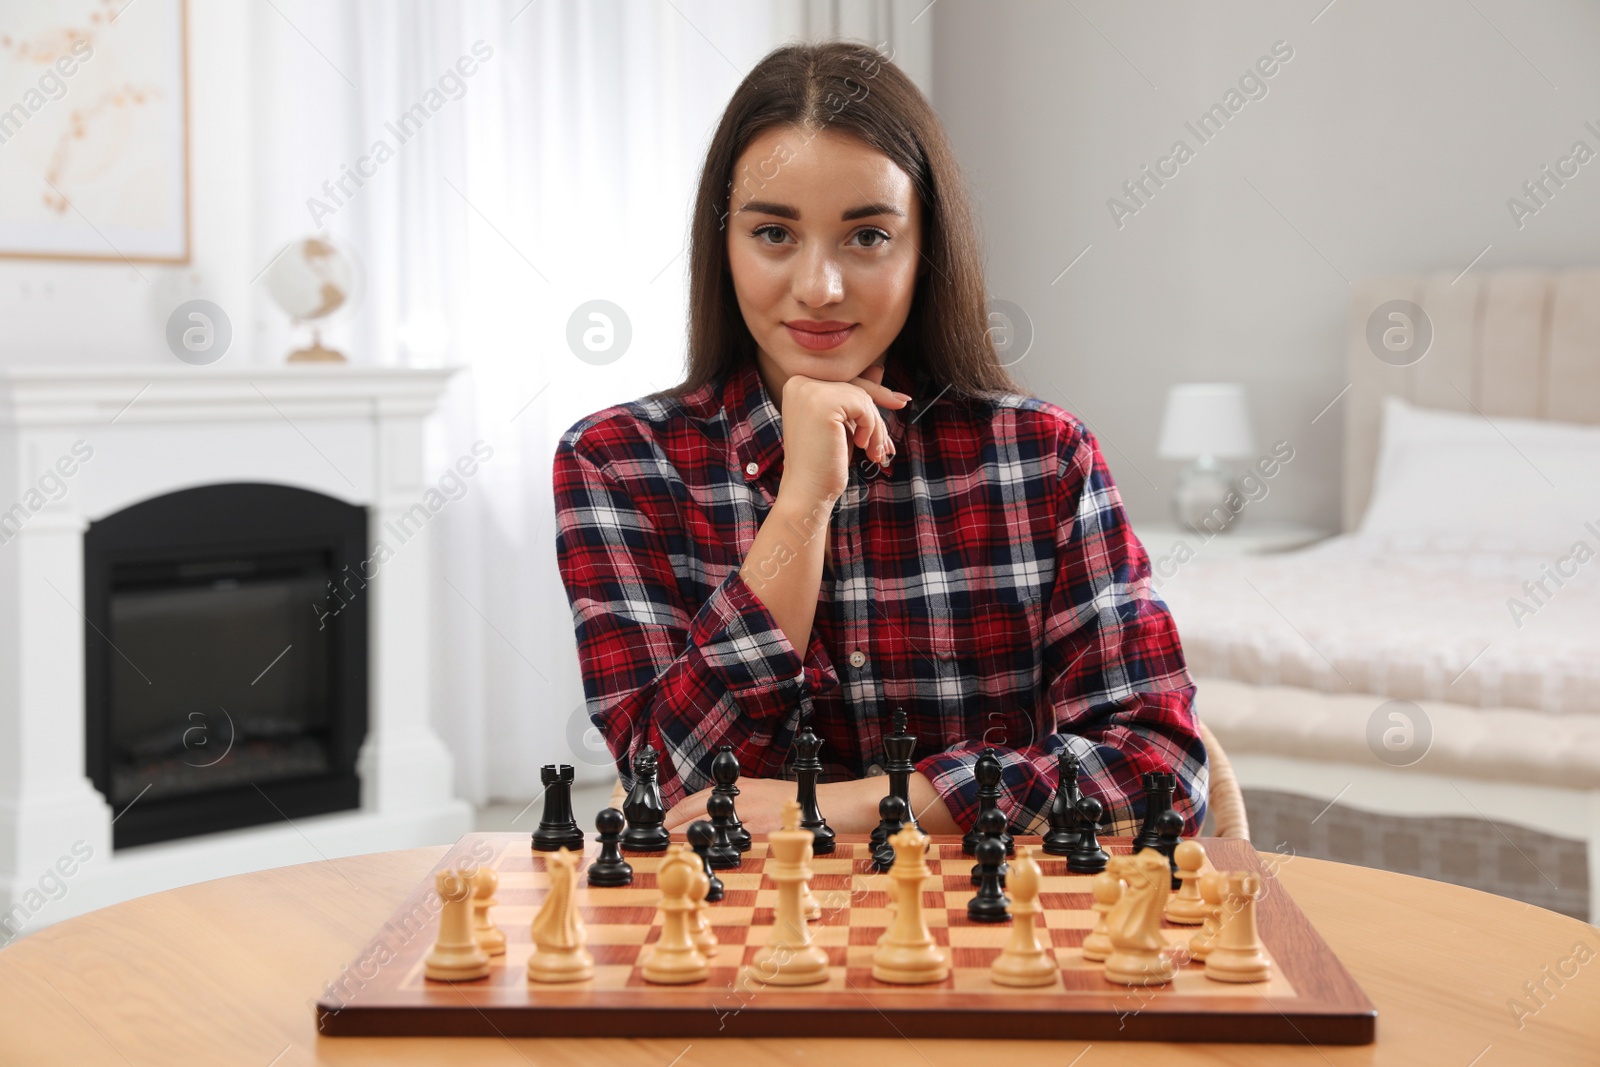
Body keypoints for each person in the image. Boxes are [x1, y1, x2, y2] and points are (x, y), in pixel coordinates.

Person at [553, 41, 1207, 837]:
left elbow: (1161, 771)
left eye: (867, 237)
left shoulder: (1044, 458)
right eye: (773, 233)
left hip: (1000, 953)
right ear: (722, 244)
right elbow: (672, 783)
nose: (820, 289)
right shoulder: (617, 463)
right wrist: (802, 505)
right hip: (742, 953)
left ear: (924, 247)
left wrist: (843, 806)